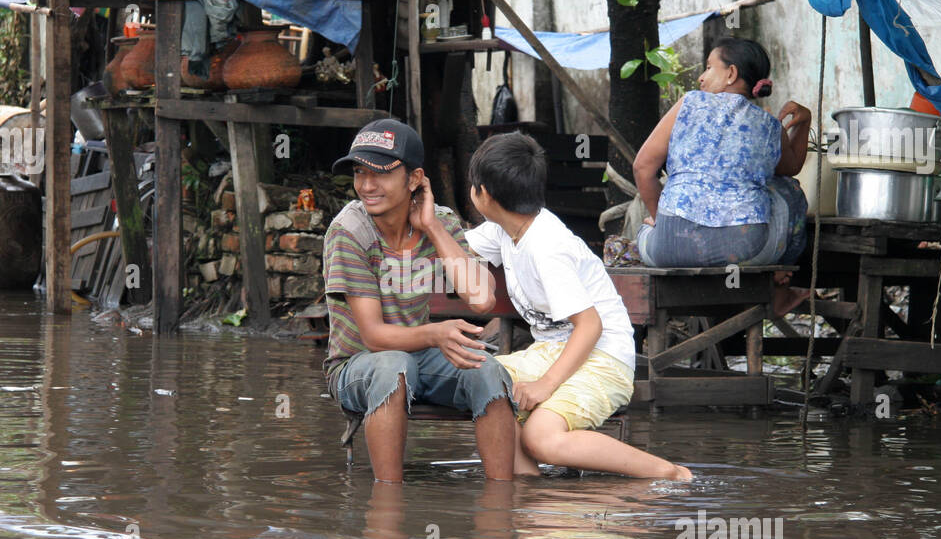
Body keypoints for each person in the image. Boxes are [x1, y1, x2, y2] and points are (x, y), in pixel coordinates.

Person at [463, 132, 692, 481]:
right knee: (486, 381)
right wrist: (428, 222)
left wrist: (544, 385)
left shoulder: (546, 246)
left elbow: (590, 325)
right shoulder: (505, 229)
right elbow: (457, 245)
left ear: (484, 195)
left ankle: (668, 473)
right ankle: (530, 491)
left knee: (541, 438)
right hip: (555, 350)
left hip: (603, 357)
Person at [322, 119, 517, 484]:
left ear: (414, 179)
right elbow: (374, 337)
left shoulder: (438, 221)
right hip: (356, 366)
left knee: (487, 369)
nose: (366, 185)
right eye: (360, 172)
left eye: (380, 173)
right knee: (393, 366)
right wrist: (436, 334)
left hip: (420, 360)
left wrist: (432, 227)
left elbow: (481, 299)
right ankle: (388, 504)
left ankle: (501, 506)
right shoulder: (350, 231)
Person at [631, 36, 812, 315]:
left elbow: (643, 168)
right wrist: (805, 120)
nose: (702, 78)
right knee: (790, 190)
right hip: (745, 252)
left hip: (669, 248)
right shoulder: (769, 125)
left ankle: (656, 227)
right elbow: (791, 168)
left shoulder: (688, 104)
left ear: (731, 73)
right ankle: (779, 286)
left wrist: (658, 219)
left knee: (644, 229)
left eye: (708, 67)